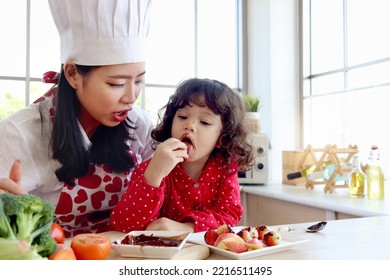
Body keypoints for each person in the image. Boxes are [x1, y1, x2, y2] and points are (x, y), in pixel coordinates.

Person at [0, 0, 154, 237]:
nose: (131, 97)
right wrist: (9, 214)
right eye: (117, 83)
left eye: (140, 80)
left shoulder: (139, 125)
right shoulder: (19, 133)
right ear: (72, 74)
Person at [111, 78, 255, 233]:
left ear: (222, 138)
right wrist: (154, 175)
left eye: (205, 122)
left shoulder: (225, 167)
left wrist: (188, 227)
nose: (190, 125)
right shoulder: (154, 167)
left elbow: (229, 214)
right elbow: (124, 225)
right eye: (183, 117)